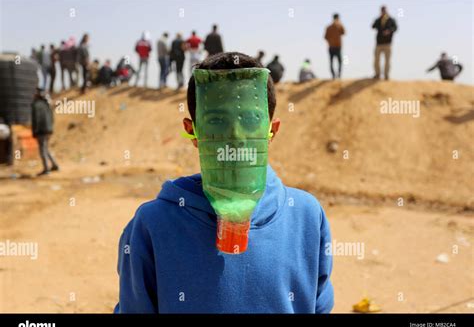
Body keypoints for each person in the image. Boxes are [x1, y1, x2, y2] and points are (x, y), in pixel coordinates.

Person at [114, 52, 334, 313]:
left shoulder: (307, 216)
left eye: (250, 120)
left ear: (272, 130)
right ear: (191, 129)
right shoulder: (152, 224)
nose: (235, 136)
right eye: (217, 121)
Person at [31, 88, 59, 176]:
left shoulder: (36, 105)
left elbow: (36, 119)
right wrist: (50, 128)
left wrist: (35, 131)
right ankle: (54, 165)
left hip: (41, 131)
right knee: (46, 149)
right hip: (49, 130)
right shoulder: (47, 104)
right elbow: (52, 118)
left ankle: (46, 169)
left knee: (42, 150)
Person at [372, 6, 397, 80]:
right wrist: (379, 19)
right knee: (376, 60)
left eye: (384, 10)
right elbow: (373, 26)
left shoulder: (391, 20)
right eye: (382, 11)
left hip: (387, 43)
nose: (383, 12)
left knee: (387, 60)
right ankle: (377, 74)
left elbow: (395, 28)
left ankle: (386, 75)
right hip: (379, 43)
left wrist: (389, 31)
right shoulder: (378, 19)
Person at [324, 13, 345, 79]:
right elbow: (326, 37)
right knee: (334, 61)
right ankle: (335, 75)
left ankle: (337, 75)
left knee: (337, 61)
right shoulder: (331, 27)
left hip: (335, 46)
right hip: (334, 47)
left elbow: (343, 32)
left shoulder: (336, 26)